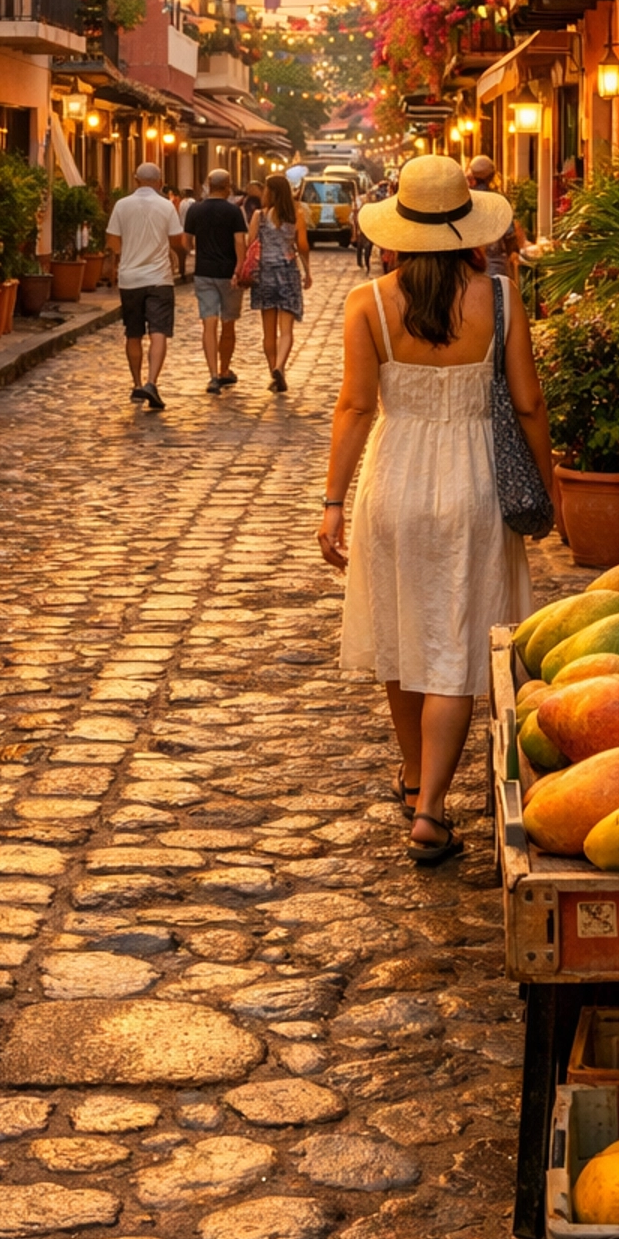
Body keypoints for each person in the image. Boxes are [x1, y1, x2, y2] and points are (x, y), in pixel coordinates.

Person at [317, 154, 552, 865]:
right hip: (476, 478)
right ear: (469, 229)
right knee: (455, 645)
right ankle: (430, 809)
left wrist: (332, 501)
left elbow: (355, 407)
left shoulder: (368, 304)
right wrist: (550, 493)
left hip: (393, 478)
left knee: (401, 631)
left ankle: (417, 771)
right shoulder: (501, 299)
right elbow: (530, 404)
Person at [105, 161, 187, 410]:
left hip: (130, 279)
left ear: (135, 179)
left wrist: (124, 256)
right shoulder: (166, 206)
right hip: (159, 278)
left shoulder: (122, 205)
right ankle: (152, 381)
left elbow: (112, 242)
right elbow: (176, 239)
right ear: (160, 182)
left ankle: (137, 383)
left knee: (133, 333)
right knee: (159, 331)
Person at [240, 172, 311, 392]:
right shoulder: (296, 215)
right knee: (287, 330)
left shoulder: (259, 216)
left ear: (269, 192)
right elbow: (303, 246)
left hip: (265, 275)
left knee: (268, 331)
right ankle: (281, 366)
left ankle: (273, 371)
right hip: (288, 272)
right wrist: (307, 272)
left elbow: (250, 243)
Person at [183, 168, 248, 394]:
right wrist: (239, 267)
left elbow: (186, 242)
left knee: (208, 324)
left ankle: (212, 376)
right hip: (229, 273)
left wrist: (194, 251)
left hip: (204, 272)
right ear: (228, 185)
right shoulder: (233, 211)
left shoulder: (195, 210)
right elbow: (240, 241)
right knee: (228, 324)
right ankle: (224, 370)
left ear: (208, 185)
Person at [467, 154, 519, 280]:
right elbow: (509, 234)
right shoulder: (499, 201)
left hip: (471, 262)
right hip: (497, 262)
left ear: (472, 175)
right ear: (492, 176)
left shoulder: (467, 200)